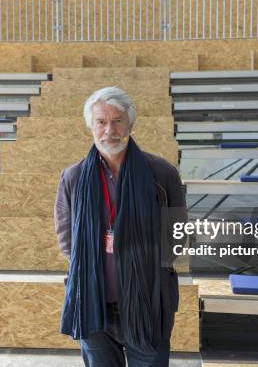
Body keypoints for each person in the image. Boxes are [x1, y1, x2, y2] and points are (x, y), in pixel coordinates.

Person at [54, 86, 187, 367]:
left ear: (131, 124)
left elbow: (175, 236)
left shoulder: (162, 173)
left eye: (117, 121)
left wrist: (143, 272)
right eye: (101, 122)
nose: (109, 130)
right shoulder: (73, 177)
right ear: (90, 126)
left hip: (148, 305)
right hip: (93, 304)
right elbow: (67, 238)